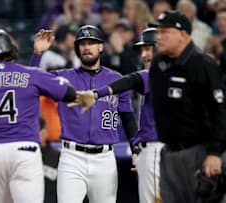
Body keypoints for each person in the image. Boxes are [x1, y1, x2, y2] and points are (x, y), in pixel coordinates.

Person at [0, 29, 77, 203]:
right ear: (12, 50)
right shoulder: (30, 73)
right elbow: (69, 93)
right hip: (25, 151)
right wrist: (38, 56)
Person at [70, 27, 163, 203]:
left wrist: (96, 94)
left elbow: (130, 80)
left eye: (149, 49)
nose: (144, 55)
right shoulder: (184, 74)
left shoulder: (154, 75)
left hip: (158, 150)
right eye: (142, 50)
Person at [52, 25, 138, 203]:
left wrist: (136, 150)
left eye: (91, 42)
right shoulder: (63, 76)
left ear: (101, 47)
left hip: (104, 158)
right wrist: (37, 54)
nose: (86, 47)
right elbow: (32, 82)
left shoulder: (117, 80)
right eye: (82, 43)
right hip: (71, 157)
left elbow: (128, 118)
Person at [148, 10, 226, 203]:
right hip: (168, 154)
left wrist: (215, 152)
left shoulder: (202, 65)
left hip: (198, 153)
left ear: (183, 35)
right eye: (158, 32)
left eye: (166, 32)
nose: (160, 37)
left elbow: (220, 112)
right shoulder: (158, 64)